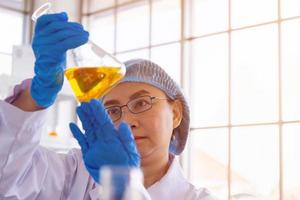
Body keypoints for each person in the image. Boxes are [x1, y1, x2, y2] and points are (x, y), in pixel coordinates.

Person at [0, 12, 217, 200]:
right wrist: (36, 96)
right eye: (113, 111)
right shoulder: (75, 174)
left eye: (141, 103)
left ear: (176, 113)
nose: (126, 121)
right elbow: (8, 180)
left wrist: (125, 189)